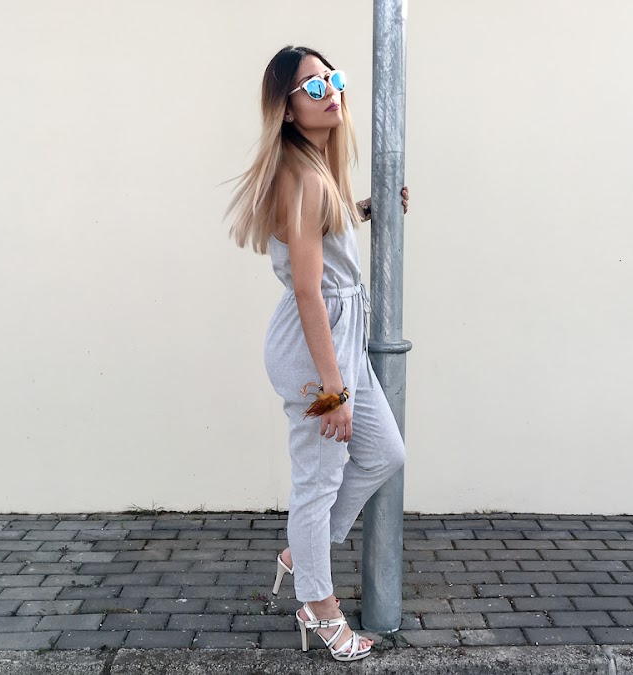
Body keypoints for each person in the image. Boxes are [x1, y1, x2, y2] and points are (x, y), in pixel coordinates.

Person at [225, 45, 409, 662]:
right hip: (317, 351)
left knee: (383, 452)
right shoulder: (301, 177)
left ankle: (301, 555)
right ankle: (318, 606)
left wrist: (366, 211)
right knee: (319, 481)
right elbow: (308, 290)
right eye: (312, 85)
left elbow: (321, 240)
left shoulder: (314, 170)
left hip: (339, 338)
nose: (330, 91)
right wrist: (334, 391)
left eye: (333, 78)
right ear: (286, 108)